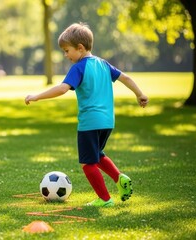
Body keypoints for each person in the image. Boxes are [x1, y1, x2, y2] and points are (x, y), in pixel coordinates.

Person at [25, 22, 148, 207]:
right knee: (97, 155)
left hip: (89, 122)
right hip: (107, 121)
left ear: (80, 48)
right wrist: (140, 94)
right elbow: (126, 78)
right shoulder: (103, 64)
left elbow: (62, 89)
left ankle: (105, 199)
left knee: (87, 163)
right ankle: (119, 177)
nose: (66, 55)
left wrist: (36, 96)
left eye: (67, 51)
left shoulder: (79, 67)